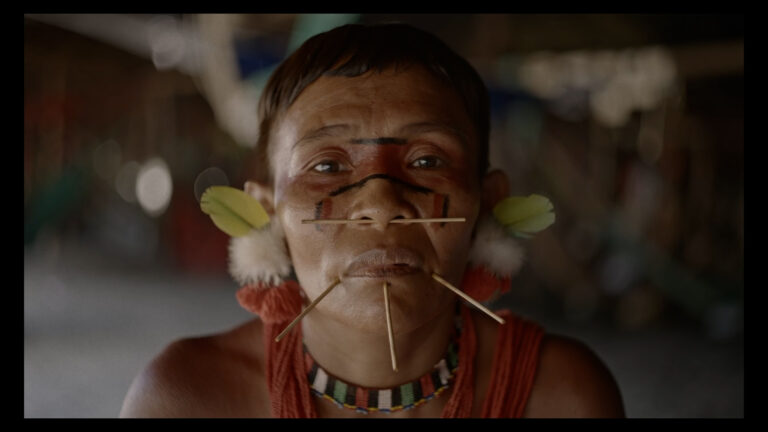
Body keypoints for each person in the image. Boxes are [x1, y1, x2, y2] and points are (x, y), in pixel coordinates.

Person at [120, 22, 625, 418]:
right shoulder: (186, 401)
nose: (381, 203)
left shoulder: (564, 398)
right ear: (266, 213)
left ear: (487, 203)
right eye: (327, 166)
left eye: (427, 161)